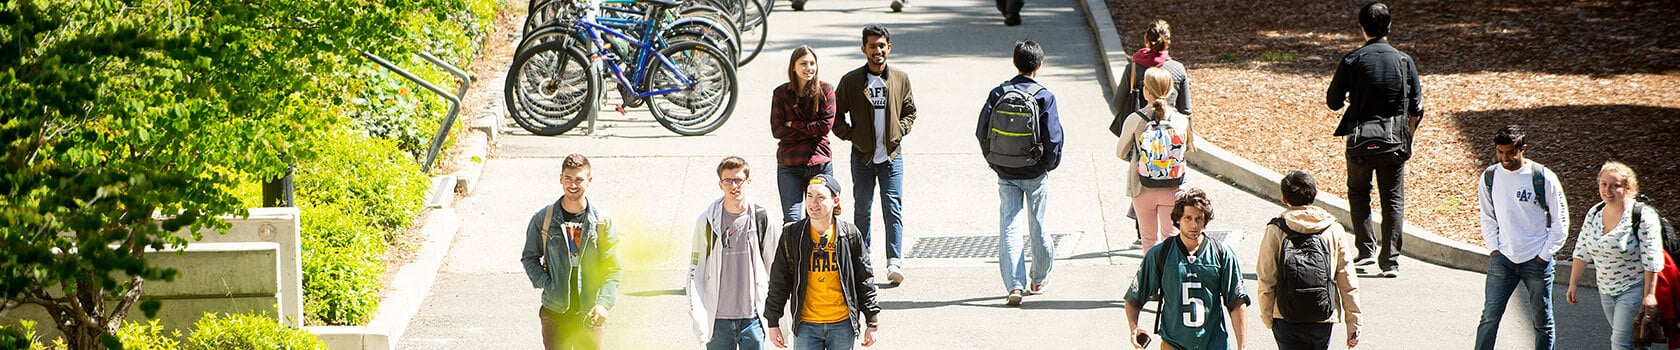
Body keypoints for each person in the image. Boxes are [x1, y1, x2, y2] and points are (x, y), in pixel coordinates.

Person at [1325, 1, 1425, 278]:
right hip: (1393, 141)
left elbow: (1333, 102)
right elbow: (1417, 107)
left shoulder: (1352, 60)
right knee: (1392, 198)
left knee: (1358, 192)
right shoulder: (1404, 61)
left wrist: (1351, 97)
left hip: (1359, 141)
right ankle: (1390, 260)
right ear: (1389, 27)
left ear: (1362, 28)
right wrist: (1409, 138)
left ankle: (1366, 250)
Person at [975, 39, 1064, 305]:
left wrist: (995, 161)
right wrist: (1047, 164)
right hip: (1035, 171)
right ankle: (1038, 279)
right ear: (1039, 65)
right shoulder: (1044, 96)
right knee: (1038, 225)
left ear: (1015, 63)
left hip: (1005, 170)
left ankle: (1014, 286)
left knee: (1009, 227)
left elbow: (982, 131)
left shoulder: (998, 93)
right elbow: (1054, 138)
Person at [833, 24, 917, 285]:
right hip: (862, 157)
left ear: (888, 48)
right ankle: (863, 261)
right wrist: (852, 136)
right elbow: (835, 116)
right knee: (862, 209)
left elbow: (910, 111)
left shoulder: (900, 78)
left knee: (893, 208)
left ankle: (894, 262)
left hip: (891, 156)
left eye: (881, 46)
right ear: (863, 49)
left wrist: (899, 131)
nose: (877, 50)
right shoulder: (851, 81)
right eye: (872, 46)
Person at [1474, 125, 1568, 350]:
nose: (1504, 158)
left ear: (1522, 149)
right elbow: (1487, 216)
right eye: (1500, 152)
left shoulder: (1542, 177)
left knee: (1542, 323)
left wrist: (1544, 256)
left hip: (1536, 261)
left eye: (1510, 152)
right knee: (1489, 318)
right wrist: (1494, 249)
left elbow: (1560, 222)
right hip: (1503, 260)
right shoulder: (1489, 177)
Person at [764, 174, 882, 349]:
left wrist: (872, 321)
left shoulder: (849, 234)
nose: (813, 203)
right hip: (806, 326)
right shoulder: (793, 235)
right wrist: (773, 322)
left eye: (820, 198)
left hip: (842, 324)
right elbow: (779, 281)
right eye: (809, 196)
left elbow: (864, 280)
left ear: (835, 200)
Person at [1125, 188, 1250, 350]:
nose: (1193, 224)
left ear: (1206, 220)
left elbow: (1237, 301)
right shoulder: (1160, 254)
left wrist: (1242, 346)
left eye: (1199, 218)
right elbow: (1134, 298)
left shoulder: (1221, 254)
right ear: (1178, 219)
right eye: (1188, 218)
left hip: (1213, 344)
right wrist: (1134, 327)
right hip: (1174, 344)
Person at [521, 154, 623, 350]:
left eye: (579, 179)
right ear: (561, 179)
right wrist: (546, 284)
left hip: (589, 313)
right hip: (554, 313)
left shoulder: (602, 222)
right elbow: (529, 257)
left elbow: (612, 269)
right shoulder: (544, 218)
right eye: (568, 178)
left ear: (589, 181)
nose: (573, 185)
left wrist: (604, 304)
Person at [1256, 170, 1363, 350]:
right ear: (1315, 193)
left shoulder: (1275, 230)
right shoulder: (1333, 229)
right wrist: (1354, 323)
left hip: (1285, 314)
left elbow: (1266, 277)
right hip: (1322, 314)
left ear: (1284, 199)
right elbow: (1347, 279)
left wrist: (1268, 316)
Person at [1111, 19, 1193, 249]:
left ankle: (1151, 284)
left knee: (1149, 240)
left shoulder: (1135, 70)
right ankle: (1171, 283)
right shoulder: (1178, 72)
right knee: (1172, 239)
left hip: (1142, 183)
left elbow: (1118, 103)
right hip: (1173, 181)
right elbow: (1187, 110)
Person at [689, 157, 784, 349]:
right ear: (720, 184)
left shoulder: (762, 218)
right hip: (717, 318)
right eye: (728, 181)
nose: (734, 186)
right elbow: (695, 272)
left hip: (753, 317)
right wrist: (699, 317)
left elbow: (776, 268)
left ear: (748, 182)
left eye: (738, 180)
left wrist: (776, 315)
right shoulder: (707, 221)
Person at [1566, 161, 1663, 350]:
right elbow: (1582, 249)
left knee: (1619, 343)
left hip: (1633, 288)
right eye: (1603, 184)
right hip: (1605, 290)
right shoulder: (1594, 213)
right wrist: (1573, 283)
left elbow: (1652, 258)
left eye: (1615, 185)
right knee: (1633, 341)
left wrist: (1649, 295)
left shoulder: (1642, 215)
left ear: (1628, 188)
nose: (1607, 191)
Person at [773, 45, 837, 223]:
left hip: (819, 163)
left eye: (812, 63)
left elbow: (825, 127)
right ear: (793, 66)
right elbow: (777, 130)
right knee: (792, 220)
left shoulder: (826, 90)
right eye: (803, 63)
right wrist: (811, 130)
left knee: (820, 218)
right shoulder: (780, 93)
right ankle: (795, 252)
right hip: (789, 164)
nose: (808, 68)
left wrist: (793, 124)